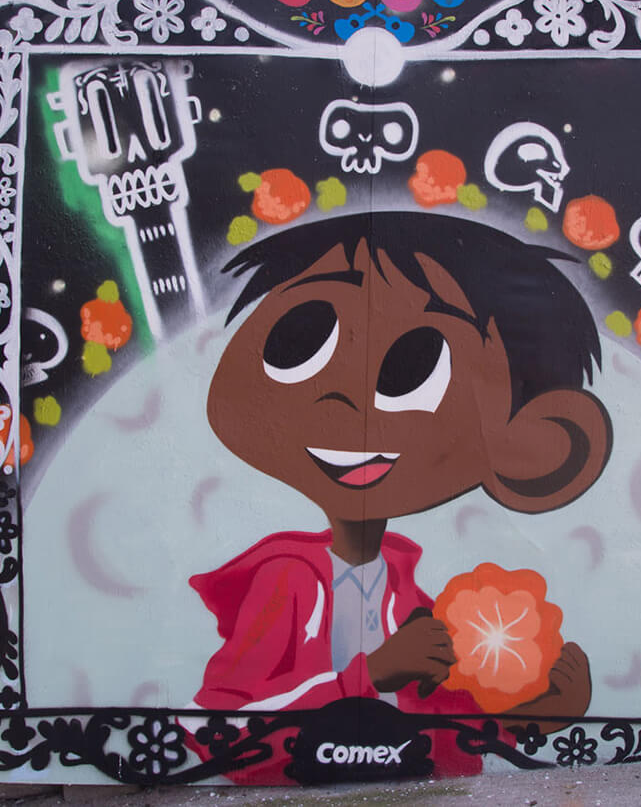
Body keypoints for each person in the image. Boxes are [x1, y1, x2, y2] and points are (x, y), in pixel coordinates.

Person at [185, 211, 612, 783]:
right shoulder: (287, 582)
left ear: (541, 444)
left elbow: (439, 724)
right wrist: (370, 675)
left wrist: (528, 714)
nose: (343, 402)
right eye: (298, 344)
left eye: (415, 368)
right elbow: (221, 730)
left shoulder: (408, 597)